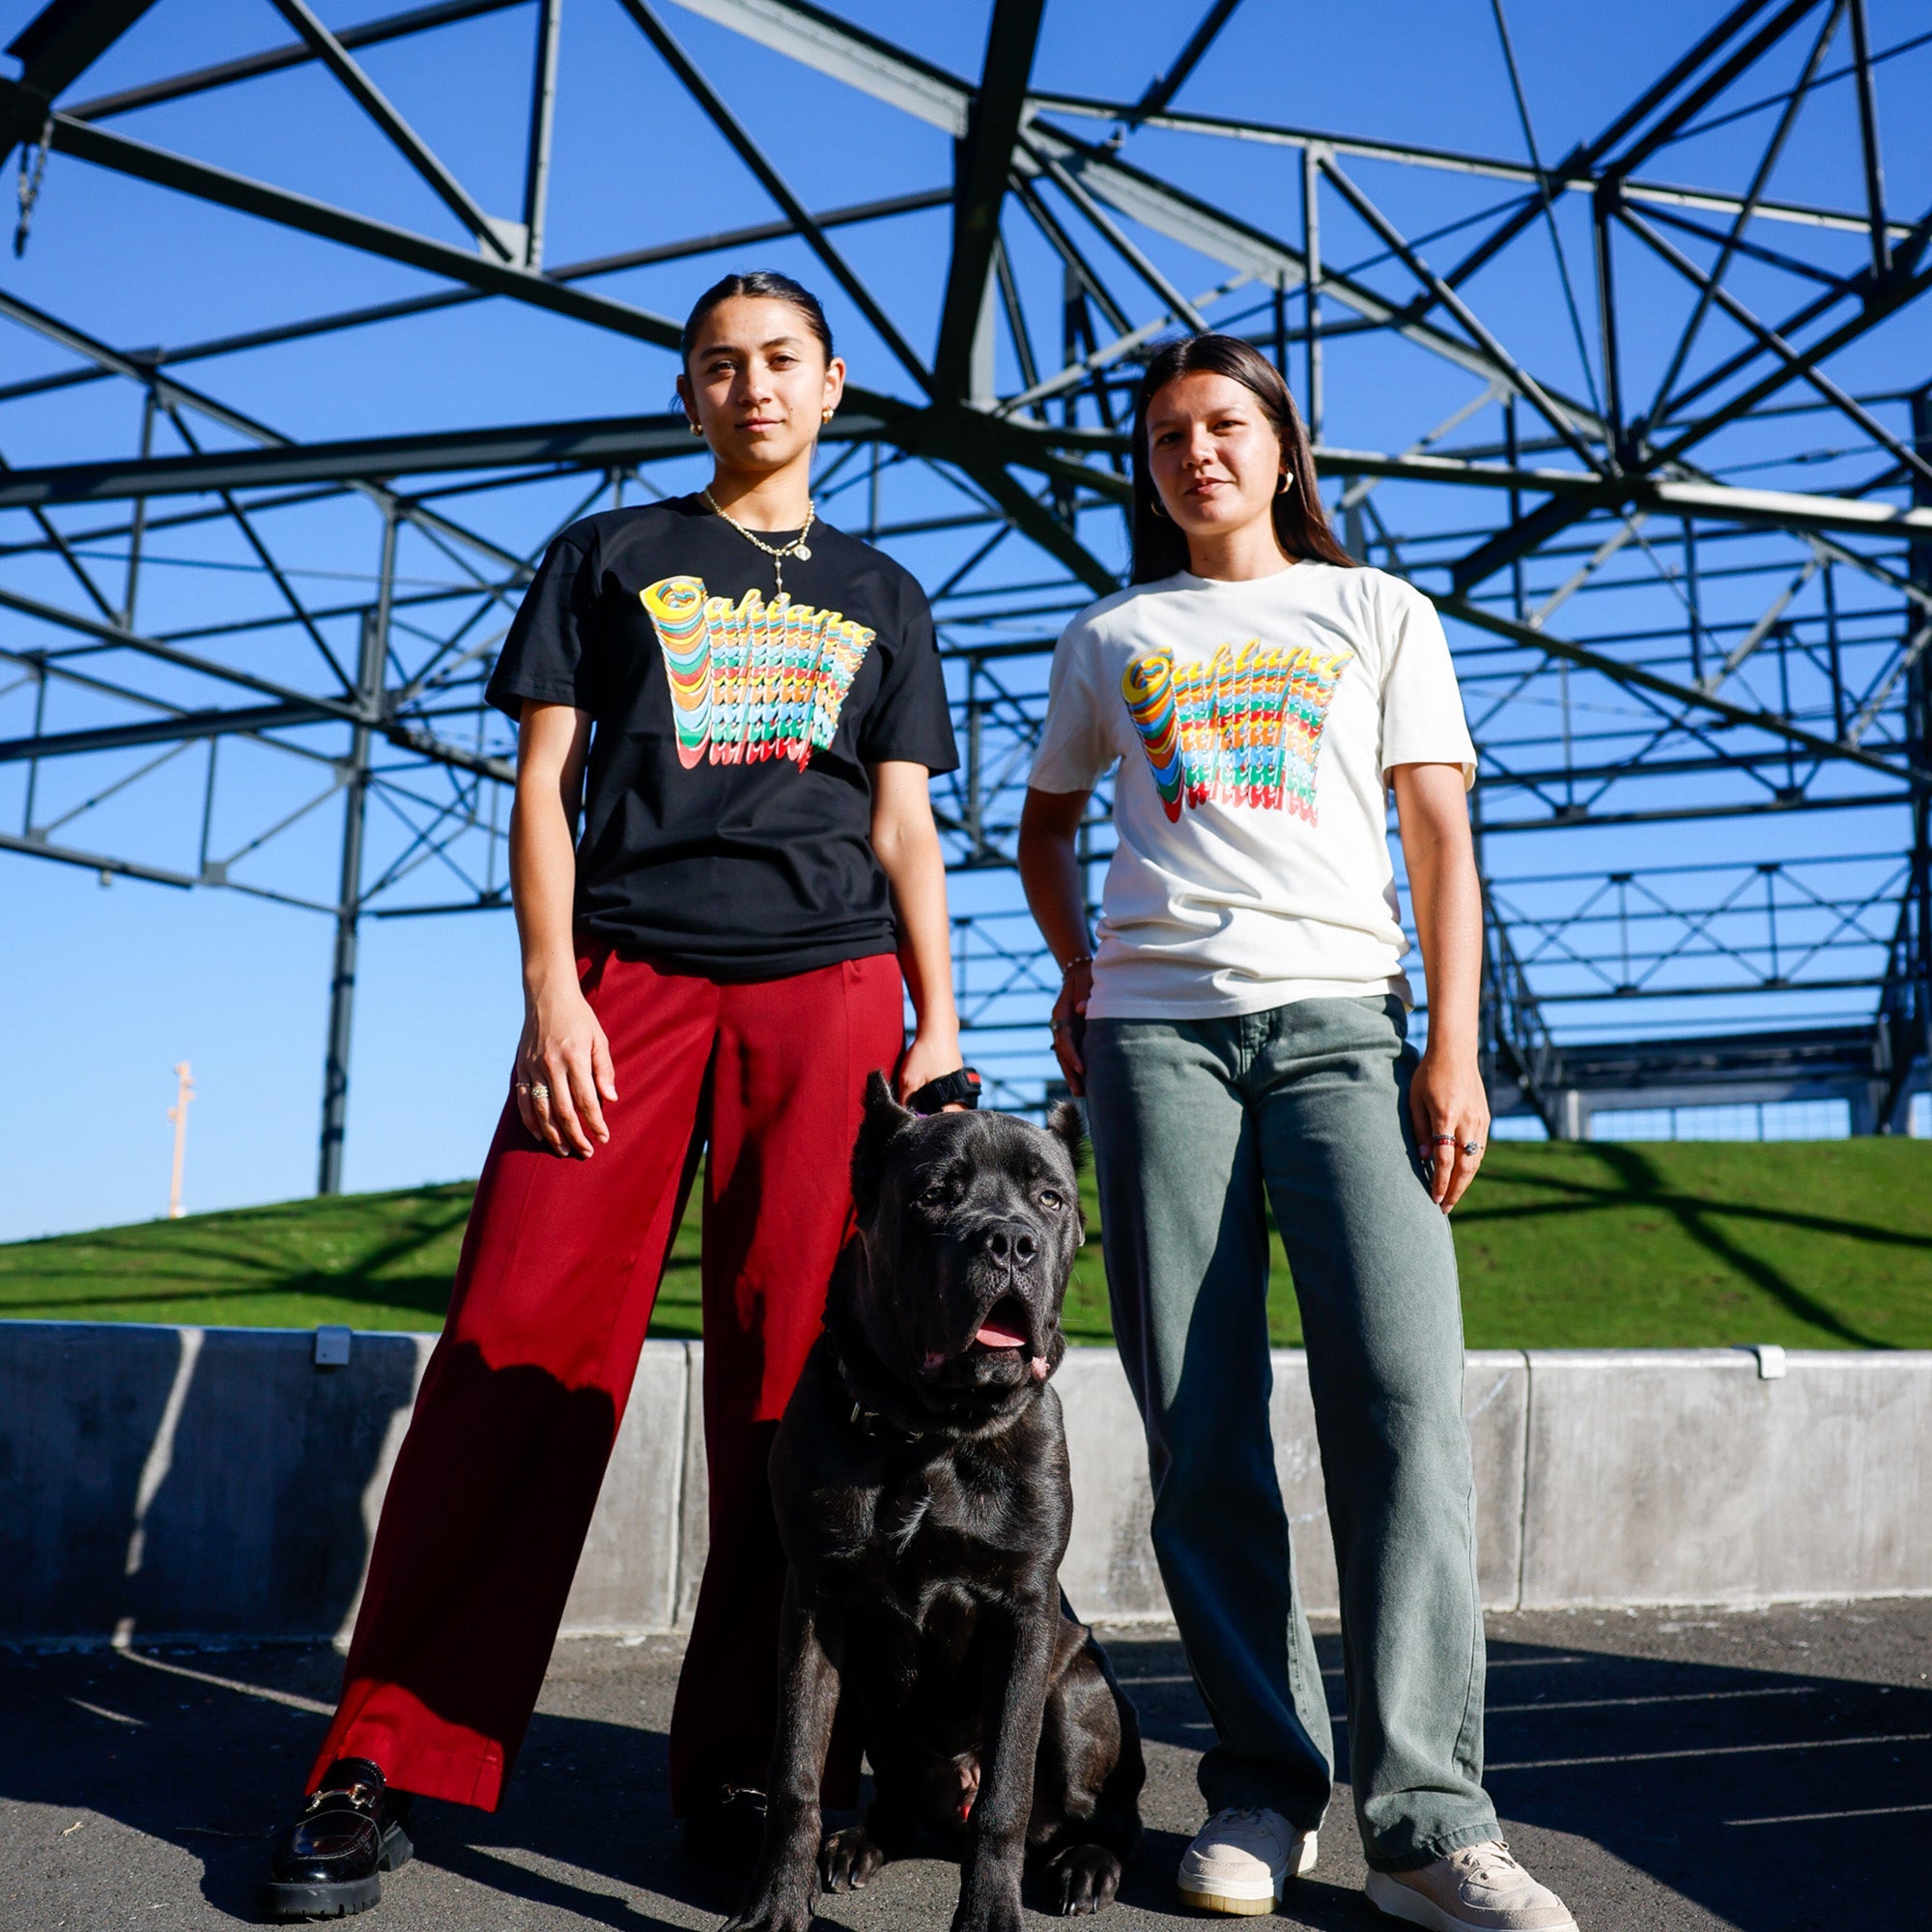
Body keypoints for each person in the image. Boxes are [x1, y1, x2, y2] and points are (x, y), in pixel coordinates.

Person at [261, 270, 966, 1922]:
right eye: (721, 365)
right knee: (514, 1338)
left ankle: (757, 1772)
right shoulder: (606, 556)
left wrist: (939, 1022)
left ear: (835, 384)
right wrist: (552, 993)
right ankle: (381, 1762)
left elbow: (906, 824)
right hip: (629, 984)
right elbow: (542, 785)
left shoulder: (886, 591)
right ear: (689, 392)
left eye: (781, 360)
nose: (753, 386)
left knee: (798, 1392)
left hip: (832, 993)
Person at [1017, 333, 1576, 1932]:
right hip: (1155, 1045)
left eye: (1227, 426)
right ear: (1149, 465)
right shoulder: (1112, 634)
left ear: (1282, 448)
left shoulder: (1377, 610)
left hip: (1346, 1032)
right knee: (1202, 1426)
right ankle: (1265, 1788)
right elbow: (1045, 827)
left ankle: (1430, 1819)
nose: (1198, 453)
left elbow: (1440, 838)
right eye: (1169, 434)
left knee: (1401, 1403)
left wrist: (1453, 1052)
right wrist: (1080, 975)